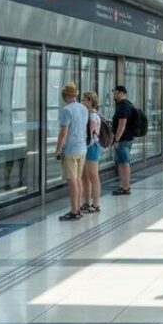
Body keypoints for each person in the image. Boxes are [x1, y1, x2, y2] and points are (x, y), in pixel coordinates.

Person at [54, 83, 88, 221]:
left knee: (72, 181)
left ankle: (74, 211)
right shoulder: (83, 108)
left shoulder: (66, 110)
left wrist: (57, 150)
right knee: (78, 179)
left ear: (66, 95)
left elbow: (63, 133)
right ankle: (78, 208)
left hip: (70, 150)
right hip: (82, 148)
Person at [111, 85, 136, 196]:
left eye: (115, 93)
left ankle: (125, 187)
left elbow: (122, 124)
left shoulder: (123, 106)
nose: (114, 95)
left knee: (124, 163)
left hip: (123, 139)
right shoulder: (128, 104)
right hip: (127, 138)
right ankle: (123, 186)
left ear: (121, 93)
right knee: (122, 163)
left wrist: (116, 139)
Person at [80, 92, 102, 214]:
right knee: (85, 177)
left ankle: (96, 204)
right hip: (87, 147)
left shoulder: (93, 116)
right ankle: (86, 202)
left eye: (85, 100)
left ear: (90, 101)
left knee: (93, 176)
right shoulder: (88, 114)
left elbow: (91, 134)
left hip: (92, 147)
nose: (83, 101)